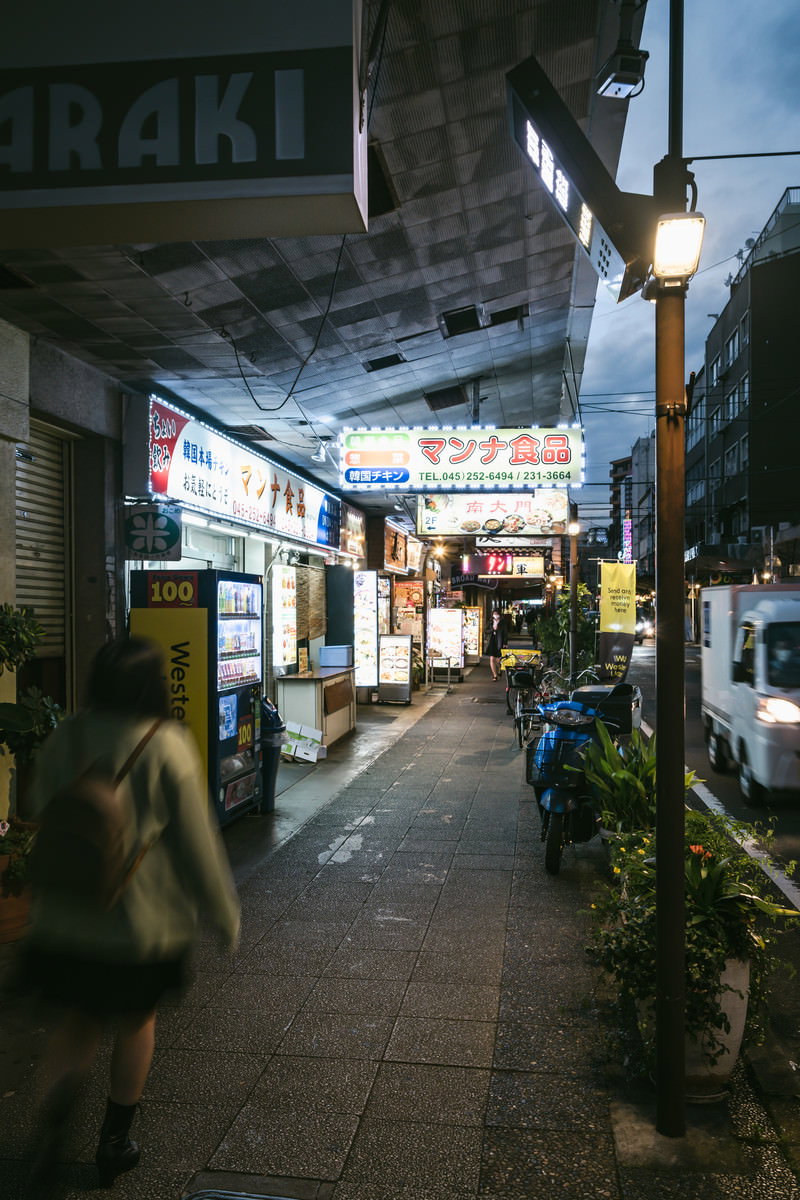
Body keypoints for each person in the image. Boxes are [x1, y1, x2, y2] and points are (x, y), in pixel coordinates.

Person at [22, 635, 240, 1192]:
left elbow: (38, 810)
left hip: (64, 921)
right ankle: (114, 1141)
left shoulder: (66, 734)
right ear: (153, 684)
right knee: (136, 1021)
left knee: (78, 1020)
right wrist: (223, 913)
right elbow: (196, 841)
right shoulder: (164, 743)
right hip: (138, 926)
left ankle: (54, 1117)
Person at [484, 610, 506, 680]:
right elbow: (486, 631)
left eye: (497, 614)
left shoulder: (503, 623)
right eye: (494, 614)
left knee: (498, 659)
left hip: (499, 641)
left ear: (499, 615)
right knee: (492, 658)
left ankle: (499, 668)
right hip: (491, 641)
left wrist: (505, 643)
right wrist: (492, 629)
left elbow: (505, 633)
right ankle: (494, 675)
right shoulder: (490, 622)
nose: (495, 615)